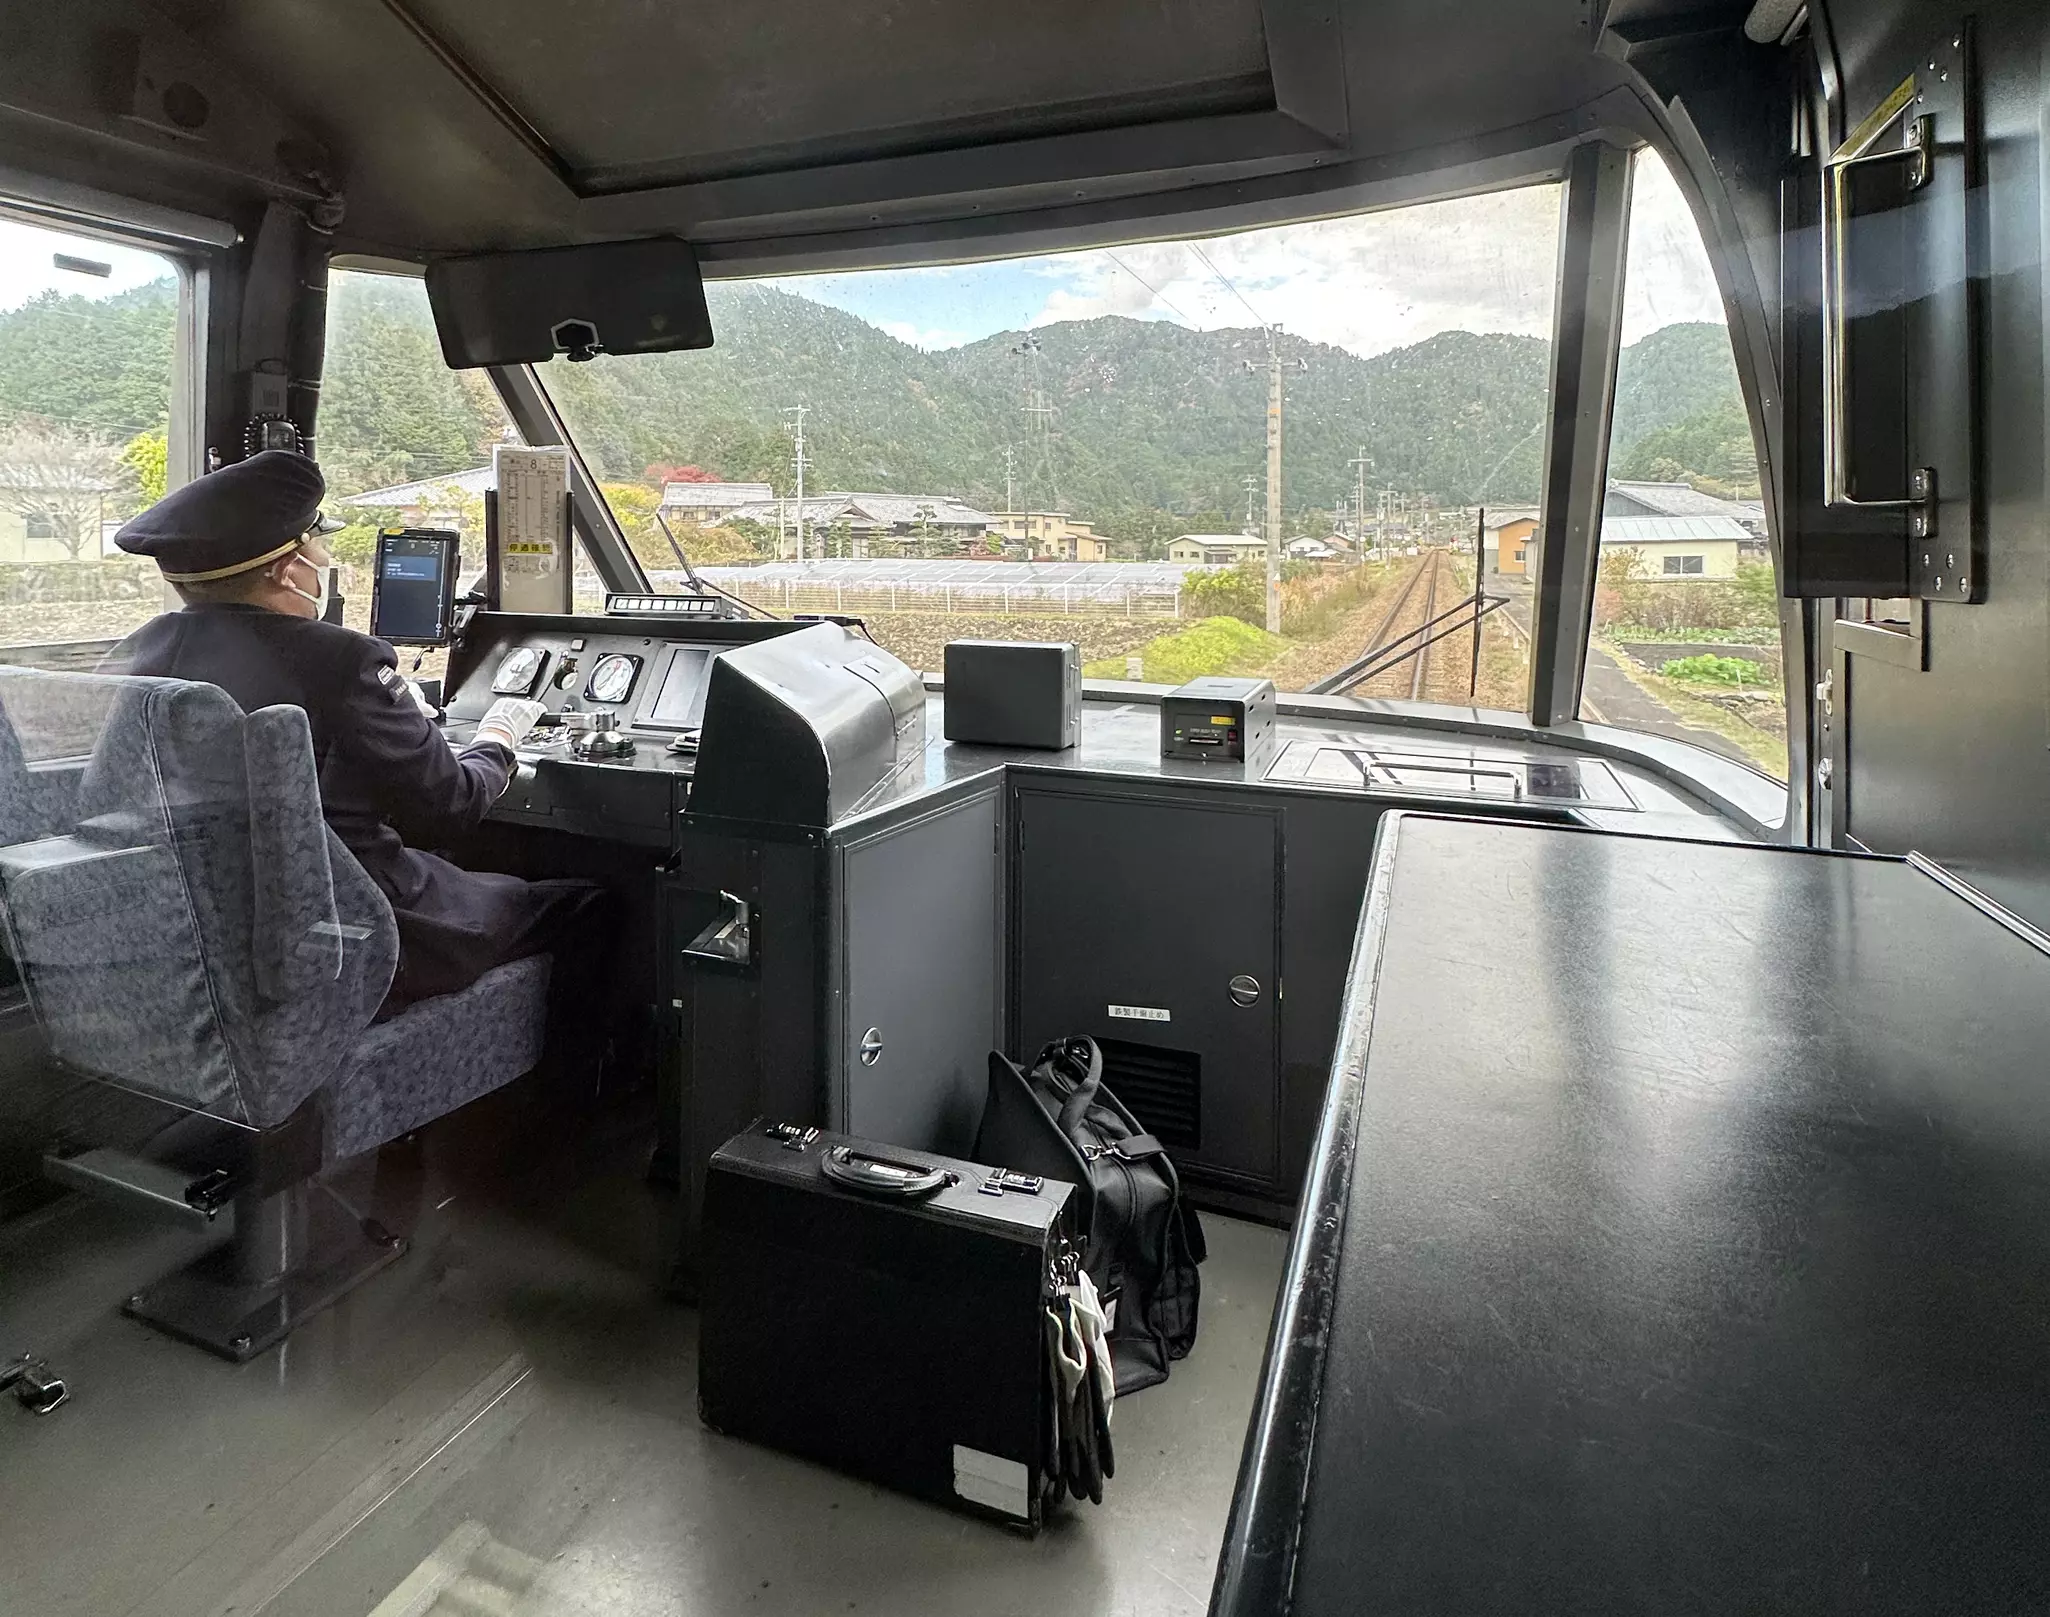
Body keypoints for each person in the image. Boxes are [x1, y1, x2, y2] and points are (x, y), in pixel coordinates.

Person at [105, 449, 608, 1030]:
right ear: (285, 569)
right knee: (591, 904)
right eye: (315, 549)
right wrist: (498, 737)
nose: (322, 563)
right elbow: (453, 804)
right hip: (357, 926)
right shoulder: (341, 660)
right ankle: (567, 1086)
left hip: (212, 933)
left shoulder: (139, 652)